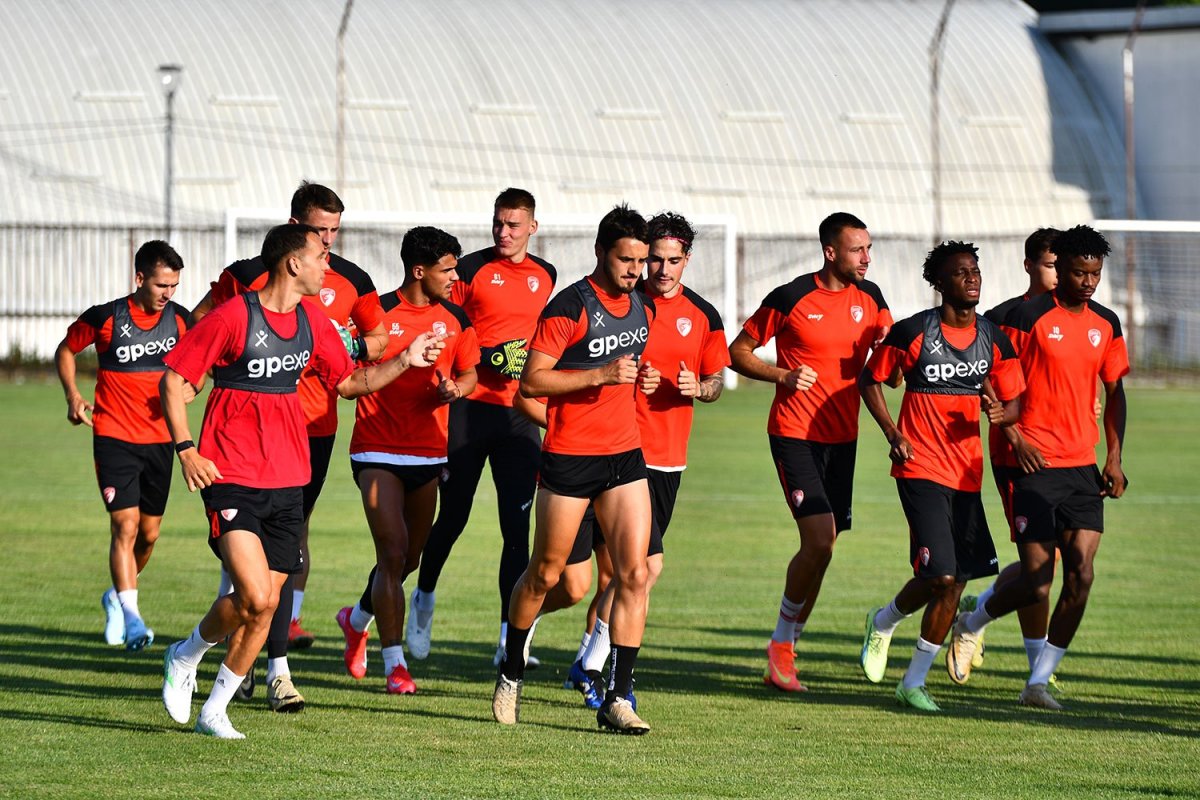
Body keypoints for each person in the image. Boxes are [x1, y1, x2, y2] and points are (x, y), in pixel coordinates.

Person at [158, 223, 445, 739]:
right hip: (231, 472)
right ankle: (186, 654)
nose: (326, 266)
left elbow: (349, 382)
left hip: (288, 477)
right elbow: (174, 379)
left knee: (269, 603)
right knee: (253, 593)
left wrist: (405, 359)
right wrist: (186, 449)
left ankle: (215, 709)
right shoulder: (234, 315)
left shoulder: (313, 319)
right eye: (319, 257)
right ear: (293, 263)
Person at [194, 181, 386, 711]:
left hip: (309, 435)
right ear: (295, 228)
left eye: (335, 231)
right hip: (241, 443)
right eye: (320, 231)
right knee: (246, 561)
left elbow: (376, 341)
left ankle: (273, 666)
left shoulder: (351, 280)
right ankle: (245, 659)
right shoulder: (246, 278)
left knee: (288, 544)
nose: (329, 242)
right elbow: (200, 323)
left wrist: (349, 342)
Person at [491, 204, 660, 734]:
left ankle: (619, 696)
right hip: (569, 458)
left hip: (625, 456)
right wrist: (599, 375)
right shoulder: (569, 306)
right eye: (626, 260)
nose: (635, 270)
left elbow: (630, 368)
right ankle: (511, 670)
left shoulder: (643, 306)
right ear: (600, 252)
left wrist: (643, 377)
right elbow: (531, 382)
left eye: (641, 261)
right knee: (546, 574)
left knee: (635, 574)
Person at [946, 225, 1129, 710]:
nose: (1088, 282)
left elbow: (1115, 392)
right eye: (1078, 272)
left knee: (1082, 575)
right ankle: (971, 622)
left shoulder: (1107, 323)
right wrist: (1015, 438)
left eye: (1095, 274)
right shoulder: (1024, 319)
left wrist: (1113, 457)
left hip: (1081, 466)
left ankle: (1038, 683)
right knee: (1037, 581)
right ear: (1058, 268)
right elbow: (987, 379)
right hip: (1031, 463)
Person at [566, 212, 730, 709]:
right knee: (633, 570)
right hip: (613, 453)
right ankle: (591, 667)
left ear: (687, 260)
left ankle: (588, 662)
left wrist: (698, 387)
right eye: (653, 259)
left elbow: (716, 382)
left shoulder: (703, 315)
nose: (661, 269)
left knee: (629, 573)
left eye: (672, 260)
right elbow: (585, 363)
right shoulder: (622, 304)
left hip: (666, 461)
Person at [728, 212, 893, 693]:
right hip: (795, 433)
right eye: (857, 249)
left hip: (843, 439)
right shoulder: (791, 297)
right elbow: (737, 352)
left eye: (868, 248)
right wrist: (782, 375)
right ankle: (781, 645)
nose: (866, 258)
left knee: (825, 548)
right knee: (819, 539)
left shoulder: (872, 298)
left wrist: (895, 354)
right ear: (830, 252)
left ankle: (787, 649)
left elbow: (890, 360)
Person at [857, 241, 1024, 712]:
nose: (972, 278)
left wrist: (1003, 415)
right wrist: (893, 432)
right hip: (920, 466)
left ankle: (912, 681)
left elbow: (1014, 401)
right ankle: (884, 623)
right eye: (960, 272)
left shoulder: (994, 338)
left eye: (975, 270)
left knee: (955, 584)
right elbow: (870, 380)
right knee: (941, 574)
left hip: (967, 472)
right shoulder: (914, 332)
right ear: (939, 283)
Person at [405, 188, 556, 667]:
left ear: (532, 227)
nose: (503, 232)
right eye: (498, 222)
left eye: (513, 224)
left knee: (517, 530)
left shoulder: (546, 274)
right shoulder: (468, 269)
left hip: (520, 415)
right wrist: (488, 358)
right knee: (452, 518)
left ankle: (509, 639)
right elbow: (447, 323)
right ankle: (424, 598)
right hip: (469, 410)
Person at [333, 227, 479, 694]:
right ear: (419, 271)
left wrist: (455, 389)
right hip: (375, 448)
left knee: (409, 559)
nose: (455, 278)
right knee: (393, 553)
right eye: (447, 270)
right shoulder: (377, 315)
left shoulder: (456, 318)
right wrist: (397, 364)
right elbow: (350, 375)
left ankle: (356, 619)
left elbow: (470, 373)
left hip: (428, 452)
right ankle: (395, 665)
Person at [55, 241, 191, 652]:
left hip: (161, 440)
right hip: (114, 437)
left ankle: (117, 596)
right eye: (162, 285)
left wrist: (193, 387)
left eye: (174, 285)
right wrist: (73, 395)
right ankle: (133, 619)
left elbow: (202, 364)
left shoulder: (181, 321)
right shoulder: (106, 318)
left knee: (148, 535)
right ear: (139, 278)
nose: (168, 293)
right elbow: (66, 349)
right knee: (125, 526)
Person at [960, 227, 1060, 677]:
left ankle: (978, 611)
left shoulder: (1079, 316)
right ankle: (1039, 671)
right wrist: (1016, 437)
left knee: (1045, 563)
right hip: (1018, 454)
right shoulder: (1003, 319)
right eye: (1051, 265)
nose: (1059, 274)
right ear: (1029, 265)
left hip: (1067, 455)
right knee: (1039, 569)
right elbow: (986, 383)